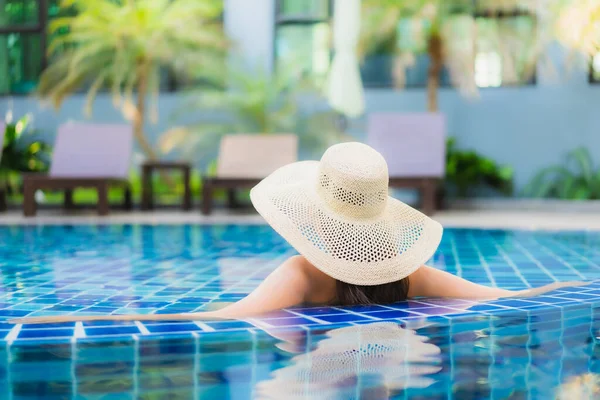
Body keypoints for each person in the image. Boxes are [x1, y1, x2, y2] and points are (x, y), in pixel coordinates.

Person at [11, 142, 583, 325]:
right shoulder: (407, 275)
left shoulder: (300, 276)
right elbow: (503, 298)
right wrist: (578, 281)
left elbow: (216, 319)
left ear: (313, 216)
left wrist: (74, 316)